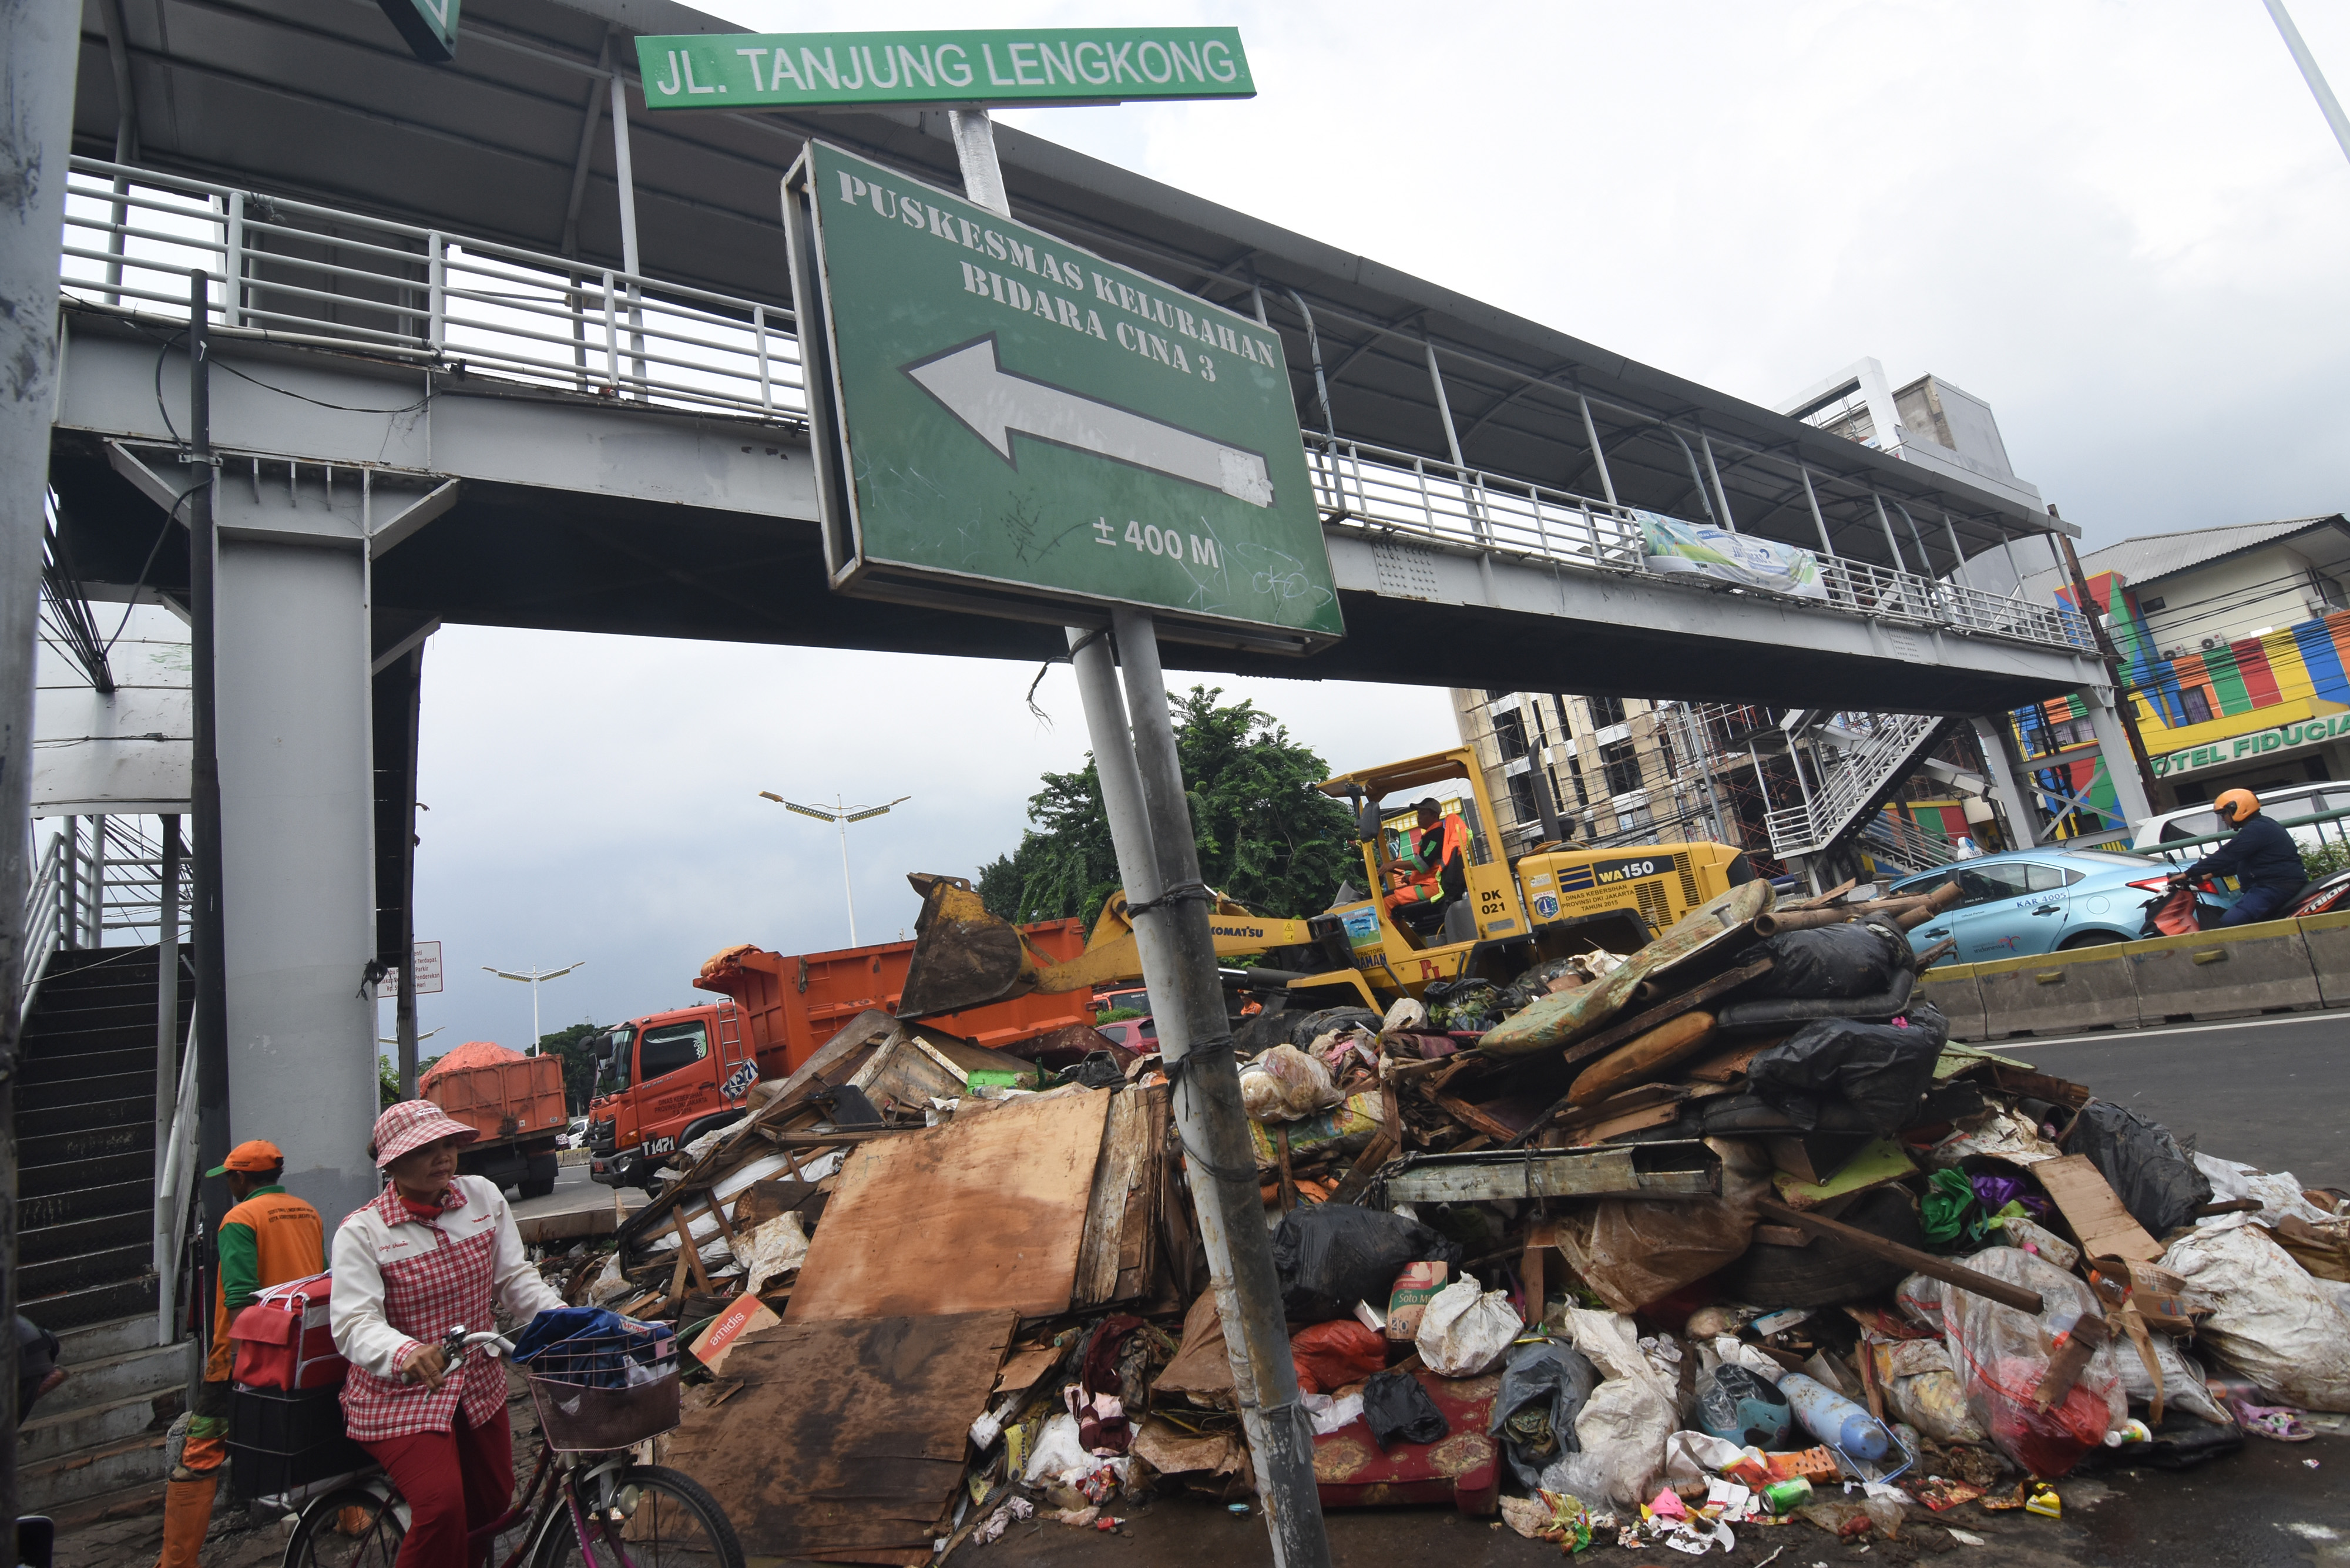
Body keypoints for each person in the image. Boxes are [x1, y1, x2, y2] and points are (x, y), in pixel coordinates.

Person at [331, 1101, 565, 1568]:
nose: (443, 1156)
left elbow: (514, 1279)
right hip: (401, 1397)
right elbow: (354, 1322)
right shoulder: (363, 1231)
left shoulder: (482, 1197)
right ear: (392, 1162)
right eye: (425, 1149)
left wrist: (566, 1321)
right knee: (442, 1509)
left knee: (493, 1501)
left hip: (478, 1381)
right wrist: (406, 1352)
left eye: (447, 1144)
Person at [159, 1140, 326, 1568]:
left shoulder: (240, 1217)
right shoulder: (309, 1212)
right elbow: (320, 1276)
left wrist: (236, 1366)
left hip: (245, 1356)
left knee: (200, 1451)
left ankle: (177, 1562)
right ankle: (355, 1516)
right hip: (300, 1347)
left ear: (239, 1177)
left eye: (229, 1177)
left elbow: (238, 1298)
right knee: (317, 1435)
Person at [2174, 788, 2309, 927]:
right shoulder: (2262, 825)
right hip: (2273, 885)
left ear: (2237, 809)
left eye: (2223, 814)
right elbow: (2240, 862)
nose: (2223, 819)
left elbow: (2226, 855)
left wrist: (2187, 873)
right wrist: (2209, 875)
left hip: (2274, 887)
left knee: (2230, 922)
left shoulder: (2256, 830)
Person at [1383, 798, 1469, 916]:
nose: (1419, 817)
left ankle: (1390, 935)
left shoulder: (1435, 835)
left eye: (1423, 814)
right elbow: (1431, 866)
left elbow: (1422, 863)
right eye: (1418, 814)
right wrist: (1411, 878)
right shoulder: (1432, 835)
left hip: (1434, 887)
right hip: (1432, 884)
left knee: (1386, 900)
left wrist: (1393, 864)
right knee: (1390, 899)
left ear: (1434, 816)